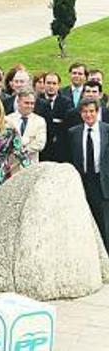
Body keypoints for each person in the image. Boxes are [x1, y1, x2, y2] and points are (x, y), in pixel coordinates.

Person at [69, 98, 109, 253]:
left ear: (97, 112)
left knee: (104, 225)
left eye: (91, 111)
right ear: (80, 113)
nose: (88, 115)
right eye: (85, 111)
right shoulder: (73, 133)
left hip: (103, 183)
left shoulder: (107, 130)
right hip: (82, 182)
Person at [6, 88, 47, 163]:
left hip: (31, 166)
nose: (30, 106)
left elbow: (40, 144)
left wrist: (22, 150)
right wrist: (29, 140)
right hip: (12, 165)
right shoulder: (8, 120)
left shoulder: (40, 121)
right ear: (18, 102)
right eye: (26, 103)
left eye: (32, 103)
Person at [42, 72, 73, 162]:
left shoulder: (66, 103)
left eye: (54, 83)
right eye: (48, 83)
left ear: (59, 85)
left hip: (60, 149)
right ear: (44, 84)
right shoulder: (37, 102)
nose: (51, 86)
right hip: (42, 148)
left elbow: (67, 124)